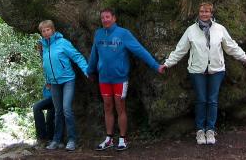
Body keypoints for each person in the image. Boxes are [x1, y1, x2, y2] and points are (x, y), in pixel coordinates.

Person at [161, 2, 246, 146]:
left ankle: (210, 130)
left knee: (212, 100)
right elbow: (180, 50)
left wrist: (245, 58)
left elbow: (231, 46)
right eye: (202, 11)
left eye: (207, 11)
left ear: (211, 13)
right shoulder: (191, 30)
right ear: (198, 13)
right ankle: (200, 130)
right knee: (201, 99)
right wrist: (167, 63)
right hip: (197, 71)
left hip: (216, 70)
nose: (204, 14)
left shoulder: (220, 29)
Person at [88, 8, 163, 151]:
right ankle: (109, 138)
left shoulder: (123, 34)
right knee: (107, 107)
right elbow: (94, 55)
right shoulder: (98, 34)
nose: (105, 20)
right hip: (104, 78)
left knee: (120, 107)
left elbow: (139, 50)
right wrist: (90, 70)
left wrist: (155, 66)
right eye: (103, 18)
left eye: (108, 17)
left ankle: (122, 139)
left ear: (114, 18)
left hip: (120, 78)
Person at [38, 19, 89, 152]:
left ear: (53, 30)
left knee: (66, 109)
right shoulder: (43, 46)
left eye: (48, 30)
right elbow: (46, 66)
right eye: (43, 31)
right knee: (58, 111)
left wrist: (86, 69)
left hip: (67, 80)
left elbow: (77, 56)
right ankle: (57, 140)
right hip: (54, 83)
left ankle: (72, 140)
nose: (46, 33)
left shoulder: (63, 43)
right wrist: (48, 81)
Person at [31, 40, 56, 144]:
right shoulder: (45, 60)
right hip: (50, 94)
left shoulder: (53, 59)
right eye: (39, 49)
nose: (40, 51)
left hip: (57, 94)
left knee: (37, 107)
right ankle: (48, 139)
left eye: (42, 48)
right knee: (50, 117)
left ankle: (42, 138)